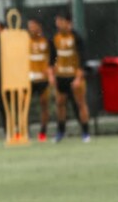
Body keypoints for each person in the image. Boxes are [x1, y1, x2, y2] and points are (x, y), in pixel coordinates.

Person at [49, 9, 91, 143]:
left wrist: (78, 78)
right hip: (61, 76)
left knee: (81, 104)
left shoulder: (77, 38)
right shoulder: (55, 38)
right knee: (60, 104)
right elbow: (52, 59)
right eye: (57, 21)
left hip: (74, 76)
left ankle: (85, 133)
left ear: (69, 23)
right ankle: (60, 132)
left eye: (61, 21)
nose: (58, 23)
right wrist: (51, 75)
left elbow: (83, 60)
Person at [26, 15, 52, 142]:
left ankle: (43, 133)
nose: (31, 28)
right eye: (29, 26)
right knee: (25, 106)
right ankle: (25, 132)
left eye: (33, 26)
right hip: (28, 79)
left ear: (38, 26)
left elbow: (52, 59)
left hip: (43, 79)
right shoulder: (25, 41)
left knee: (44, 105)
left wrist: (49, 72)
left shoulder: (46, 41)